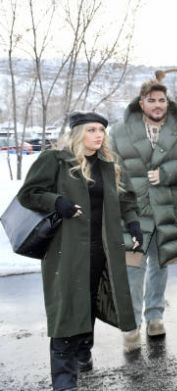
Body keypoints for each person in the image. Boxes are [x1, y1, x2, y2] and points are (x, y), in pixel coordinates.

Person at [17, 112, 143, 391]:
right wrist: (56, 200)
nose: (98, 135)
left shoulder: (110, 162)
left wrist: (133, 223)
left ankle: (83, 352)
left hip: (103, 249)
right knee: (66, 309)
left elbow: (126, 198)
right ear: (77, 133)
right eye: (91, 130)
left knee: (89, 299)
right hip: (67, 250)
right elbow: (29, 193)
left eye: (101, 130)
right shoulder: (56, 160)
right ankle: (64, 382)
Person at [111, 78, 177, 351]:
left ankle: (155, 317)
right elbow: (111, 168)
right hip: (133, 212)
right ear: (141, 103)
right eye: (151, 100)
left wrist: (166, 173)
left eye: (161, 100)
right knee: (132, 269)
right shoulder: (119, 131)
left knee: (160, 265)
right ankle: (131, 328)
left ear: (168, 102)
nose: (157, 105)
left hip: (167, 209)